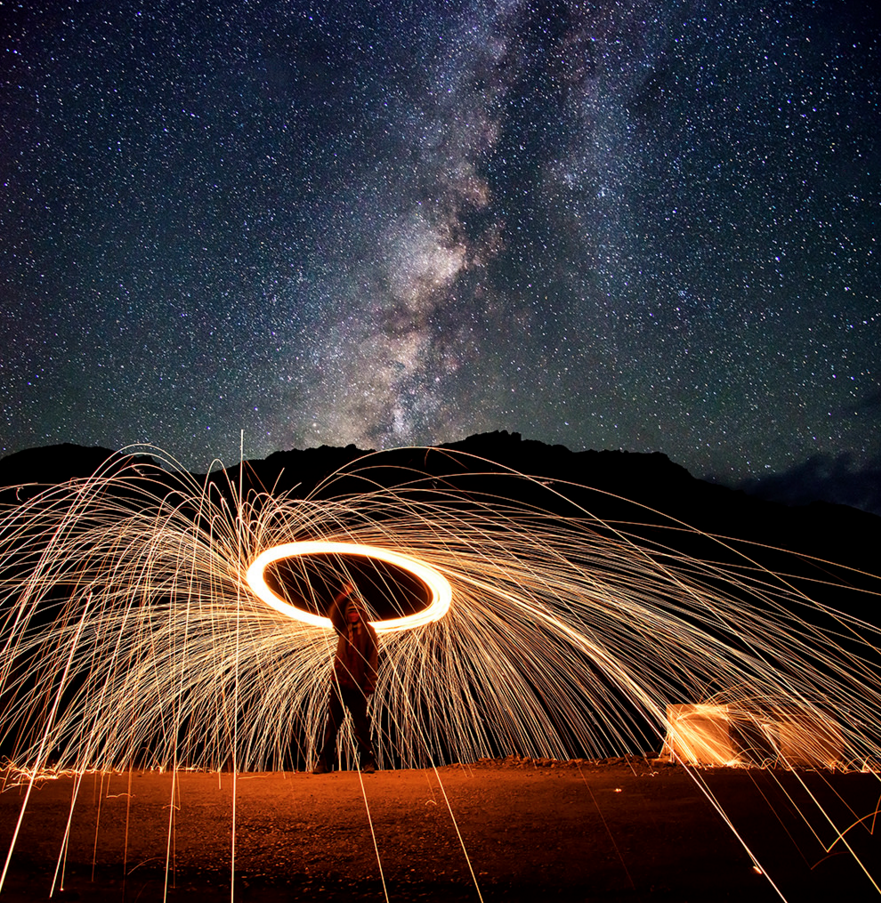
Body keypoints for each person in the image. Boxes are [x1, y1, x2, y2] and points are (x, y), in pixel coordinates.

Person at [312, 581, 379, 774]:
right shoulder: (343, 628)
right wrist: (343, 595)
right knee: (332, 726)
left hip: (357, 686)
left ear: (361, 612)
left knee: (361, 727)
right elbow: (333, 614)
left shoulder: (369, 632)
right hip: (339, 684)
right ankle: (324, 763)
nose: (352, 614)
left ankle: (368, 762)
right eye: (350, 611)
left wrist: (370, 683)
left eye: (356, 611)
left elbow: (372, 658)